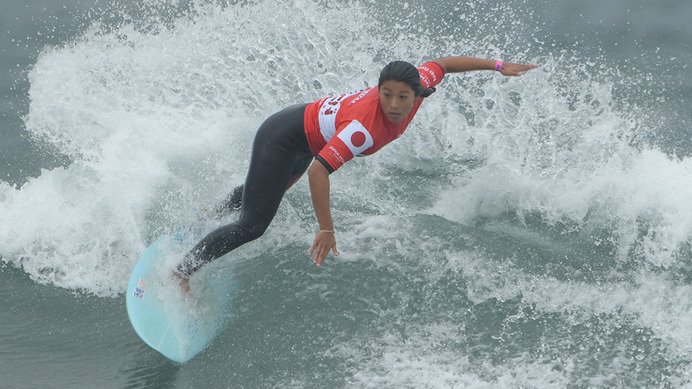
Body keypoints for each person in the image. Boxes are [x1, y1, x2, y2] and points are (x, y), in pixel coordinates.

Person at [174, 56, 538, 288]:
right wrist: (326, 228)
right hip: (285, 137)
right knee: (253, 225)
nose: (394, 105)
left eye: (403, 97)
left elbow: (442, 63)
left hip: (307, 134)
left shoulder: (421, 85)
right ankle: (180, 272)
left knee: (267, 192)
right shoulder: (362, 129)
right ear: (379, 91)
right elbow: (319, 172)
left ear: (419, 95)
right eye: (386, 95)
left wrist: (496, 66)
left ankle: (207, 215)